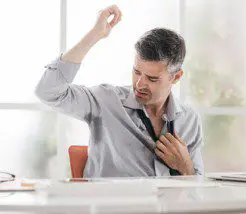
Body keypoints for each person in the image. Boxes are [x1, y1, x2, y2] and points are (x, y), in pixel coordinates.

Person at [35, 5, 204, 177]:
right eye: (136, 71)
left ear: (175, 77)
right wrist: (95, 35)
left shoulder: (189, 120)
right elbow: (48, 91)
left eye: (152, 79)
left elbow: (198, 190)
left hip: (169, 204)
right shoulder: (105, 101)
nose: (140, 83)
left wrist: (185, 167)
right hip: (112, 203)